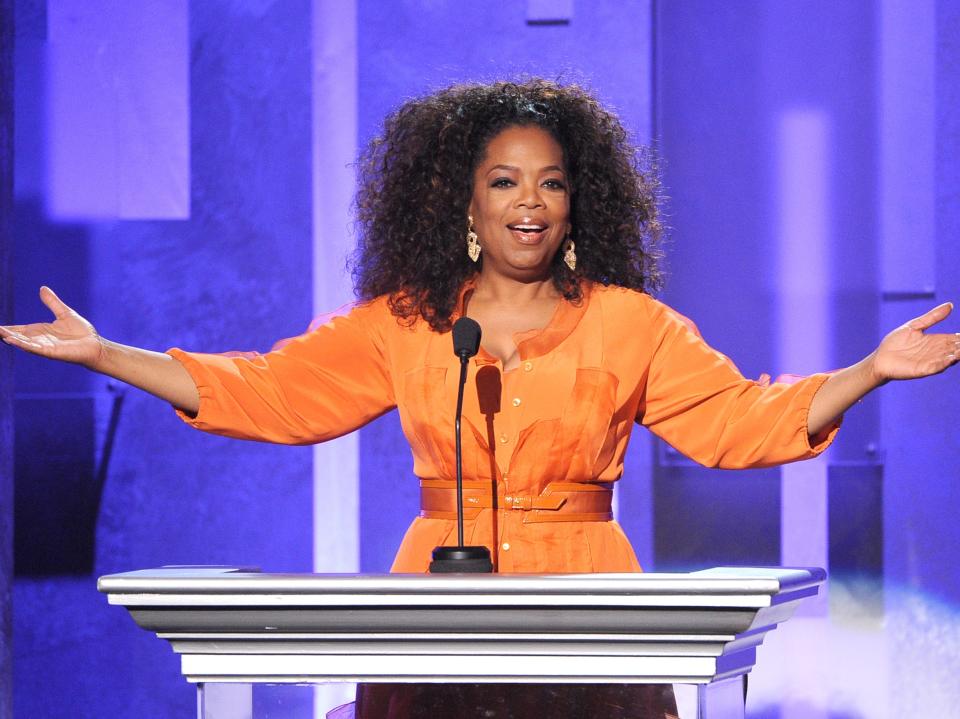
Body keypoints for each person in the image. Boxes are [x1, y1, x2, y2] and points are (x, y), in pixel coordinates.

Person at [2, 79, 958, 718]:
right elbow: (273, 391)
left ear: (580, 203)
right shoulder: (407, 319)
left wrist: (868, 369)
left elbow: (737, 419)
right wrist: (106, 354)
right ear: (462, 203)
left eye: (549, 182)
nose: (528, 201)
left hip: (591, 596)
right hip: (437, 595)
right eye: (503, 181)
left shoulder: (632, 323)